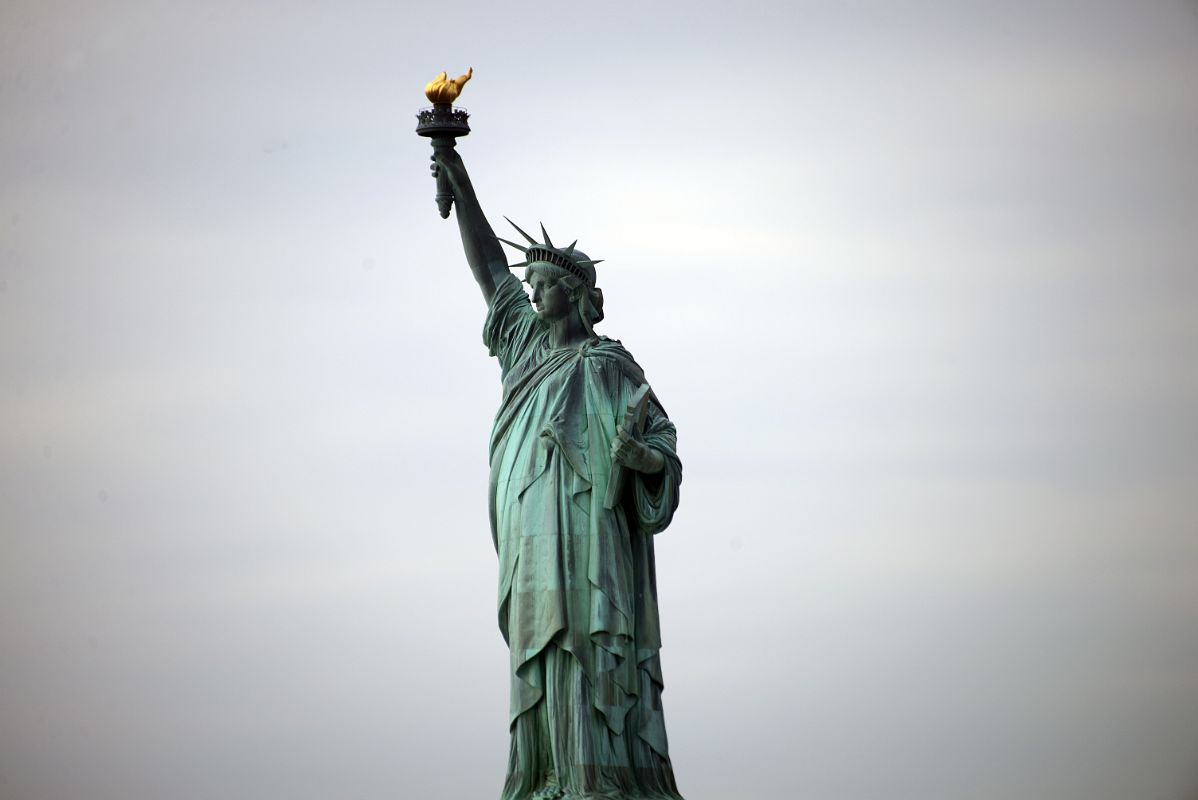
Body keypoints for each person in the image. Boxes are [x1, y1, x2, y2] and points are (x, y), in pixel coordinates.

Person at [430, 146, 686, 800]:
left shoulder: (609, 365)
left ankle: (597, 778)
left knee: (589, 651)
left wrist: (641, 459)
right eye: (533, 286)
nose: (533, 292)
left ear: (573, 294)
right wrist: (460, 182)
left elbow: (662, 443)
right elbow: (491, 271)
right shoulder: (522, 350)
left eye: (544, 285)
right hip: (532, 542)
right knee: (541, 656)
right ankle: (546, 778)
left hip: (593, 541)